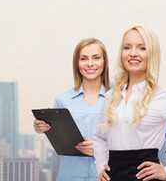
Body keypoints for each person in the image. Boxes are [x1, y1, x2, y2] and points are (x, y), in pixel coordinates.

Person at [94, 26, 166, 181]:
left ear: (152, 54)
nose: (132, 53)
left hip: (147, 177)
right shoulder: (110, 96)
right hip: (113, 176)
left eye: (142, 48)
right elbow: (99, 138)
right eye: (127, 47)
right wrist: (101, 166)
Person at [33, 38, 111, 180]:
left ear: (104, 62)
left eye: (96, 58)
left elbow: (128, 143)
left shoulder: (117, 100)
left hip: (106, 176)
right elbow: (56, 137)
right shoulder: (63, 100)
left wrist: (101, 149)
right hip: (69, 175)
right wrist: (41, 127)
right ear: (77, 63)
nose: (90, 63)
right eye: (83, 59)